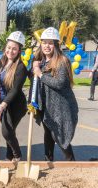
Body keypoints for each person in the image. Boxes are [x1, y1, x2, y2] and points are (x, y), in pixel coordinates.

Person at [32, 27, 78, 161]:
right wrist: (35, 68)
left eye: (50, 43)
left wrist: (39, 73)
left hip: (61, 106)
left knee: (59, 135)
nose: (47, 46)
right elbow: (34, 79)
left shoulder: (62, 61)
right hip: (47, 105)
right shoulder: (41, 60)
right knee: (48, 133)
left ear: (56, 45)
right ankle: (48, 159)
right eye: (44, 42)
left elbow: (60, 83)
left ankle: (71, 162)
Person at [0, 31, 28, 162]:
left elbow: (15, 90)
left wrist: (2, 105)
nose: (11, 51)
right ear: (5, 47)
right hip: (1, 102)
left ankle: (17, 156)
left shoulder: (21, 67)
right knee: (9, 131)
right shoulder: (2, 62)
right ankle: (8, 156)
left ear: (19, 51)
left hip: (15, 105)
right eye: (9, 47)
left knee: (7, 131)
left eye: (14, 49)